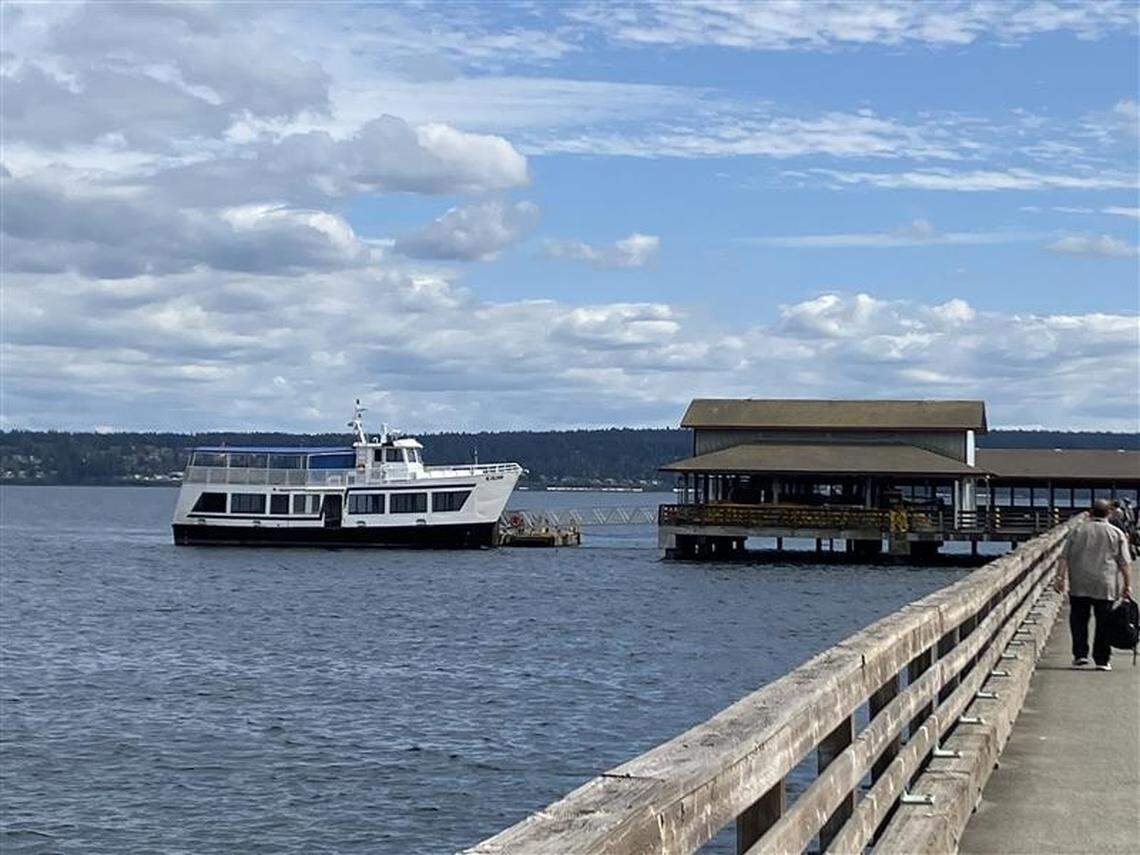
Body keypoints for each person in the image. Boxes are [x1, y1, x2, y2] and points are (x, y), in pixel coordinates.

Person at [1055, 499, 1134, 671]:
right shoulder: (1116, 533)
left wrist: (1059, 579)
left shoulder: (1077, 530)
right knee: (1104, 622)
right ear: (1109, 513)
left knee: (1078, 620)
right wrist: (1127, 585)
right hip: (1105, 585)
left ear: (1090, 512)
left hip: (1079, 582)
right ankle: (1102, 659)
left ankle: (1080, 654)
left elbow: (1064, 557)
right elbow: (1124, 562)